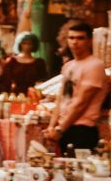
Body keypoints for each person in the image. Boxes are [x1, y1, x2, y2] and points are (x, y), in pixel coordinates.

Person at [46, 22, 109, 153]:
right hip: (65, 127)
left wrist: (59, 129)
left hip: (83, 129)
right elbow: (61, 98)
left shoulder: (94, 66)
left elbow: (81, 103)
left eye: (80, 38)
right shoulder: (68, 66)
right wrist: (52, 126)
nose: (75, 42)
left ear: (89, 41)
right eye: (71, 38)